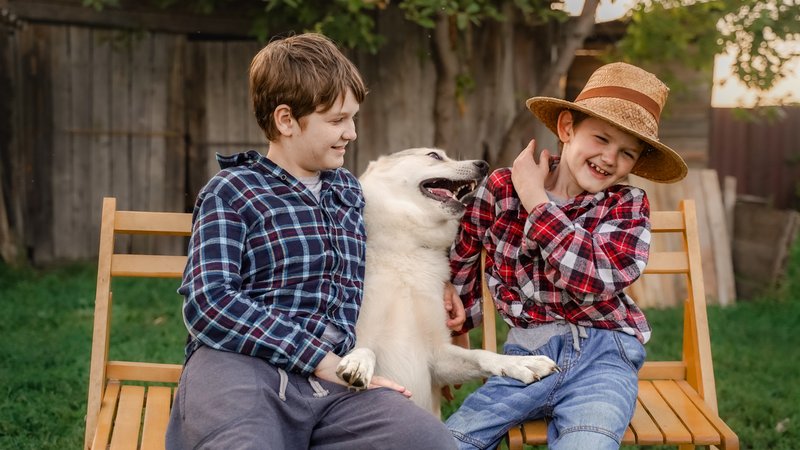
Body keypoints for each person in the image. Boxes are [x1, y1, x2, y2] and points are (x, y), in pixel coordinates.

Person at [165, 33, 457, 450]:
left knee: (428, 442)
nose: (352, 133)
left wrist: (445, 285)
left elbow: (399, 243)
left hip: (332, 387)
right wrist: (318, 360)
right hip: (241, 368)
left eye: (353, 118)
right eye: (337, 121)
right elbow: (208, 304)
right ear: (285, 120)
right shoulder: (231, 191)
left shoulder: (348, 192)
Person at [444, 62, 689, 450]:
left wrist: (537, 202)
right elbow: (461, 255)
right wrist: (455, 329)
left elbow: (592, 279)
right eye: (601, 139)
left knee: (588, 444)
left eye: (627, 152)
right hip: (527, 357)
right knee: (450, 441)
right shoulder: (503, 189)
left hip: (605, 358)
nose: (610, 158)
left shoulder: (627, 205)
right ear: (566, 128)